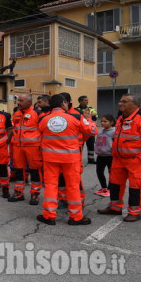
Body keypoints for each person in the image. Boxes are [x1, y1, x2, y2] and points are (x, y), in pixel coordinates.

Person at [37, 94, 96, 226]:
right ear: (64, 103)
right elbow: (92, 130)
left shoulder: (43, 119)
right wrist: (89, 120)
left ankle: (49, 215)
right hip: (70, 158)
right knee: (73, 187)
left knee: (51, 186)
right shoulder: (75, 117)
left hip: (50, 158)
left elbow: (38, 134)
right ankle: (75, 217)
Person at [97, 94, 141, 222]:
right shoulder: (121, 118)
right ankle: (115, 207)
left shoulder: (139, 119)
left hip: (135, 160)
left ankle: (135, 211)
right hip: (118, 159)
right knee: (115, 184)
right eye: (120, 101)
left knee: (135, 187)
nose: (120, 104)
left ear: (135, 104)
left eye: (124, 102)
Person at [9, 93, 43, 205]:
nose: (18, 102)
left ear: (29, 102)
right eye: (18, 100)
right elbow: (15, 129)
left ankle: (35, 193)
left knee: (34, 171)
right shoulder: (16, 114)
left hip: (33, 148)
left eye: (21, 100)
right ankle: (19, 192)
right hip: (18, 147)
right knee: (18, 170)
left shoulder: (37, 114)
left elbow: (43, 131)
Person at [94, 115, 115, 197]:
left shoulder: (114, 131)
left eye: (105, 121)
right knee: (99, 171)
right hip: (100, 155)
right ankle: (104, 187)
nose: (102, 123)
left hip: (110, 156)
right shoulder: (101, 131)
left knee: (111, 173)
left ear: (111, 122)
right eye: (102, 121)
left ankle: (110, 189)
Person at [75, 95, 98, 164]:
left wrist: (83, 114)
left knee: (91, 145)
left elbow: (95, 115)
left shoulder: (90, 108)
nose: (87, 101)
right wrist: (88, 114)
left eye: (87, 100)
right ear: (80, 101)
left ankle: (91, 159)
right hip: (81, 130)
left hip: (90, 129)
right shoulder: (76, 109)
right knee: (80, 145)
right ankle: (78, 159)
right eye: (85, 100)